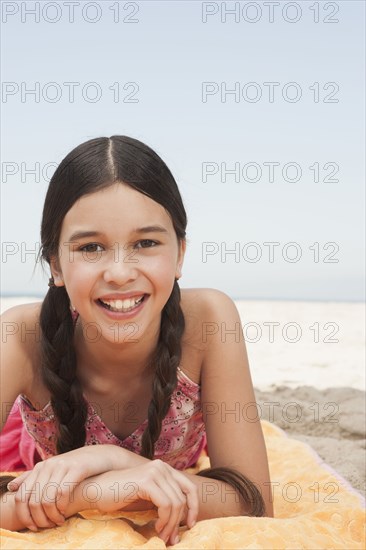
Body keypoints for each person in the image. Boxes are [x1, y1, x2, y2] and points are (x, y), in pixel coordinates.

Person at [0, 135, 273, 545]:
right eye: (90, 247)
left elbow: (256, 501)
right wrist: (95, 489)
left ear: (180, 254)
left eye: (146, 243)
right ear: (56, 265)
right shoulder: (21, 337)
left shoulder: (211, 321)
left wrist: (111, 458)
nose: (120, 273)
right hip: (34, 456)